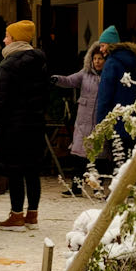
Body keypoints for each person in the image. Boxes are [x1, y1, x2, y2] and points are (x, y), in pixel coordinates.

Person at [0, 19, 48, 231]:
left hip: (13, 126)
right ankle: (32, 215)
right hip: (35, 124)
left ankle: (16, 216)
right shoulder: (40, 63)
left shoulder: (9, 64)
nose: (4, 39)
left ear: (15, 39)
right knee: (32, 170)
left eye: (7, 36)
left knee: (15, 170)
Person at [50, 41, 106, 196]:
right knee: (78, 156)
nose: (97, 61)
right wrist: (57, 79)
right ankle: (76, 188)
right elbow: (69, 80)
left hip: (99, 122)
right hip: (83, 120)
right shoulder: (85, 73)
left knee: (97, 157)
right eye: (94, 58)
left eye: (100, 59)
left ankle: (97, 189)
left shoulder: (108, 76)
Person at [94, 26, 136, 169]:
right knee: (129, 162)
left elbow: (105, 95)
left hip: (115, 121)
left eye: (103, 46)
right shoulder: (130, 61)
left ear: (110, 45)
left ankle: (119, 191)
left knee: (117, 162)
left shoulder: (111, 63)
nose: (101, 50)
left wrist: (101, 124)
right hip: (131, 120)